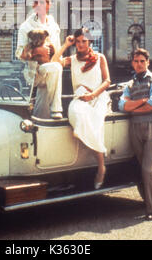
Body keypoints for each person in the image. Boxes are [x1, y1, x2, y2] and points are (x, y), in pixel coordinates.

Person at [118, 48, 152, 221]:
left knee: (149, 169)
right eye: (136, 61)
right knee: (149, 171)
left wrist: (134, 105)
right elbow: (121, 106)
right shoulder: (130, 84)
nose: (139, 64)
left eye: (142, 61)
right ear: (132, 63)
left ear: (147, 62)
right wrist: (143, 101)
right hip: (134, 128)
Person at [52, 28, 111, 189]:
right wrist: (65, 45)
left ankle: (101, 168)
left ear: (90, 42)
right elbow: (54, 60)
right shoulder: (72, 59)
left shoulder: (100, 58)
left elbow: (107, 81)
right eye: (77, 41)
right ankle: (82, 131)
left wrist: (93, 95)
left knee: (94, 120)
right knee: (77, 111)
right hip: (80, 98)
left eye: (83, 41)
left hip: (97, 97)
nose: (80, 44)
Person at [16, 0, 63, 119]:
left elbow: (57, 52)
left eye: (41, 2)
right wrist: (34, 52)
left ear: (49, 5)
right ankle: (56, 109)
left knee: (42, 111)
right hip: (33, 72)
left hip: (50, 71)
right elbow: (19, 53)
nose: (38, 5)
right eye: (35, 2)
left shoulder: (54, 26)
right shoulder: (26, 27)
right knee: (56, 68)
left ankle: (40, 122)